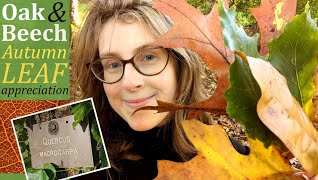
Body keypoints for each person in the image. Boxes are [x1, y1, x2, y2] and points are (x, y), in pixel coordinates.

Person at [74, 0, 247, 179]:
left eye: (148, 57)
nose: (130, 82)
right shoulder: (79, 156)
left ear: (180, 64)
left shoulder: (233, 162)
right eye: (113, 64)